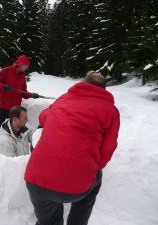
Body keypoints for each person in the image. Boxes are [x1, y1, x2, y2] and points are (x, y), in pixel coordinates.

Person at [24, 71, 120, 225]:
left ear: (83, 82)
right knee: (97, 176)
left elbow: (43, 117)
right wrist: (93, 167)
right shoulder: (109, 111)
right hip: (75, 187)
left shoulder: (63, 99)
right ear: (104, 90)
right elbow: (107, 149)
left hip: (35, 181)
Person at [0, 55, 39, 154]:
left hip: (14, 109)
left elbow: (23, 92)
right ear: (21, 64)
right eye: (26, 66)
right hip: (2, 105)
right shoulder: (6, 71)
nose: (27, 68)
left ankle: (13, 149)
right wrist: (3, 86)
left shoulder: (22, 75)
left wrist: (32, 95)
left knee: (14, 129)